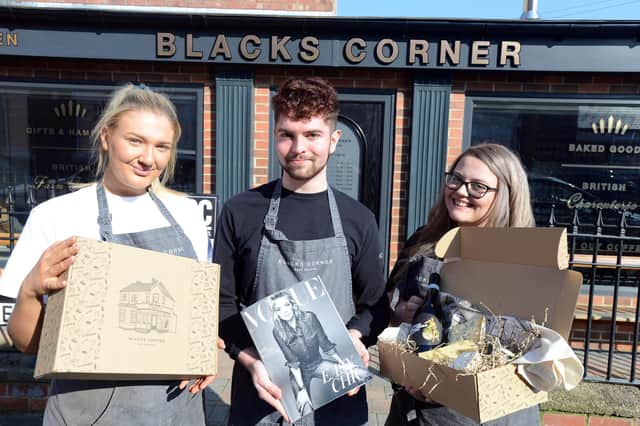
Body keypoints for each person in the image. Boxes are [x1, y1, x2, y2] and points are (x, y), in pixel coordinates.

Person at [0, 83, 219, 425]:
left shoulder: (188, 214)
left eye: (162, 146)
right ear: (106, 137)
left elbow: (194, 316)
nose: (149, 158)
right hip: (87, 410)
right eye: (135, 141)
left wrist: (203, 351)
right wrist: (30, 289)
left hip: (175, 408)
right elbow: (26, 342)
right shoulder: (56, 215)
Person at [214, 76, 389, 425]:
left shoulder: (359, 220)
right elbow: (220, 304)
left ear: (334, 140)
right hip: (261, 396)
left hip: (338, 396)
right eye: (287, 135)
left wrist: (354, 337)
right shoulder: (241, 211)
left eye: (312, 135)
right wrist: (250, 360)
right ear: (274, 136)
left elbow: (376, 305)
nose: (298, 148)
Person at [384, 143, 540, 426]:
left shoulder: (524, 259)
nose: (460, 191)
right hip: (413, 410)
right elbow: (392, 313)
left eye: (477, 186)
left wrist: (451, 379)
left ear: (505, 194)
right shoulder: (424, 241)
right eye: (456, 179)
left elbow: (535, 341)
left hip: (485, 415)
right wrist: (403, 313)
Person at [270, 290, 367, 417]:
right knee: (303, 408)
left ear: (293, 304)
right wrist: (301, 389)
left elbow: (325, 343)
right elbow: (292, 361)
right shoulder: (277, 331)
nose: (285, 310)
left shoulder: (309, 317)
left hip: (318, 364)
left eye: (287, 305)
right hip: (299, 372)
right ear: (275, 313)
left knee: (358, 374)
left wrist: (344, 363)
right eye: (279, 308)